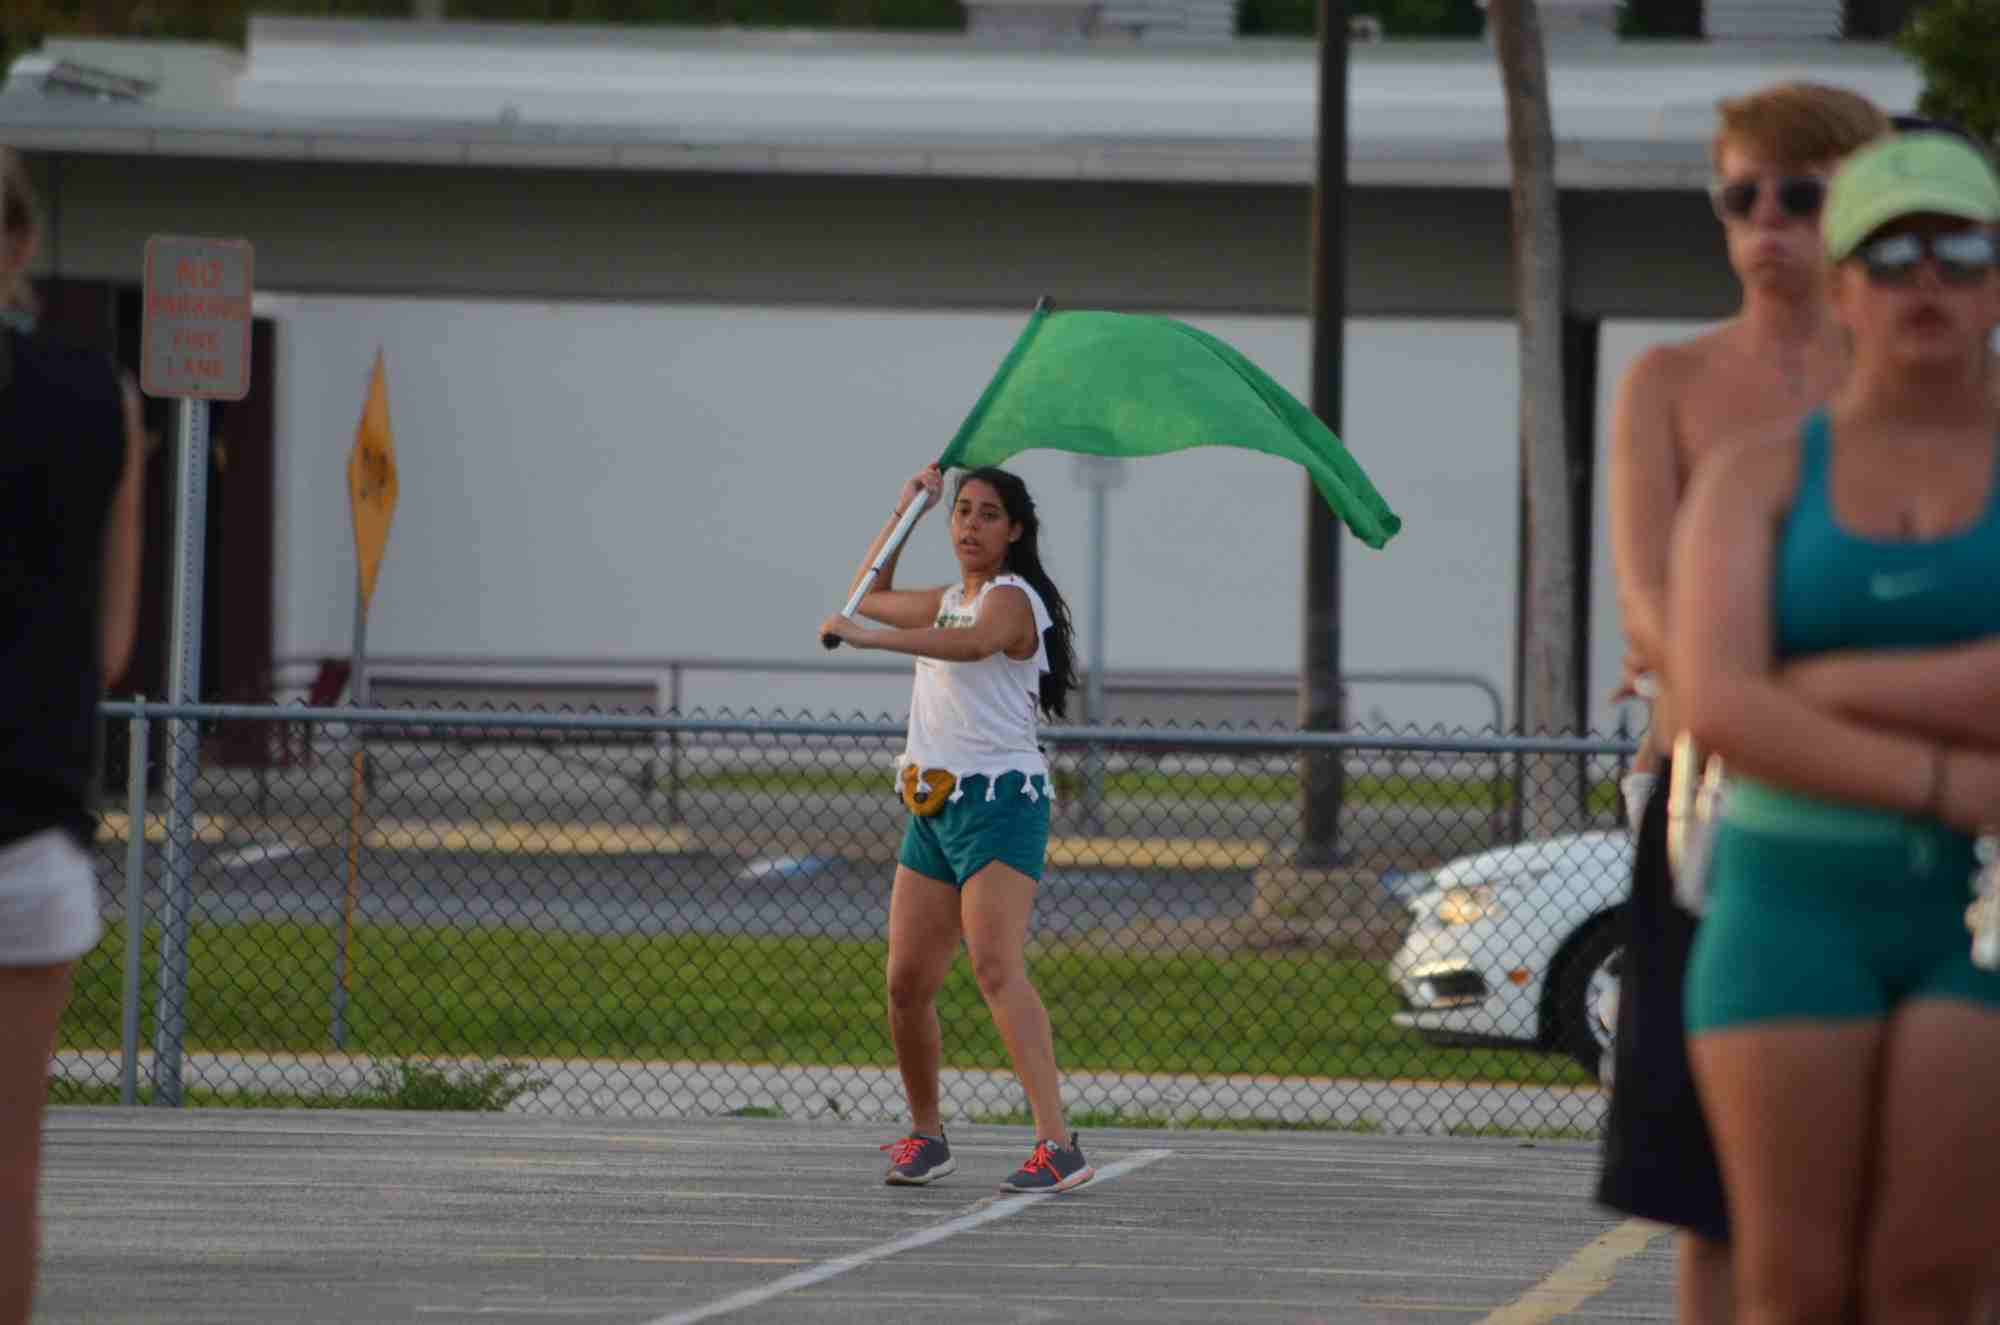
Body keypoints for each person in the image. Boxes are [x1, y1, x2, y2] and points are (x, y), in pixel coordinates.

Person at [1669, 130, 2000, 1325]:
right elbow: (1717, 706)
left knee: (1932, 1281)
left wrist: (1818, 684)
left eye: (1959, 250)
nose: (1926, 279)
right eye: (1891, 254)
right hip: (1789, 900)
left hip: (1981, 912)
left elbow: (1749, 694)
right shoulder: (1754, 475)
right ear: (1842, 285)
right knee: (1792, 1285)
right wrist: (1945, 779)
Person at [1597, 82, 1890, 1325]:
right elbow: (1647, 602)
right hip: (1713, 808)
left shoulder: (1913, 380)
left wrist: (1743, 666)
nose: (1765, 221)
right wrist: (1749, 685)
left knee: (1907, 1177)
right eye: (1739, 195)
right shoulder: (1667, 380)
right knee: (1709, 1185)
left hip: (1893, 809)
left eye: (1798, 195)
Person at [818, 463, 1094, 1194]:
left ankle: (1058, 1144)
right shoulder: (947, 601)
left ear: (1015, 530)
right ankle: (928, 1135)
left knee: (996, 967)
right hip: (932, 803)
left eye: (988, 514)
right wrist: (906, 509)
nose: (970, 525)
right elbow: (869, 592)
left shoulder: (1012, 599)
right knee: (905, 981)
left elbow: (971, 645)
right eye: (962, 511)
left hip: (1001, 803)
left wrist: (867, 639)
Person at [0, 144, 147, 1325]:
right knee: (12, 1167)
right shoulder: (103, 401)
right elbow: (109, 648)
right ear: (24, 242)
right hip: (31, 823)